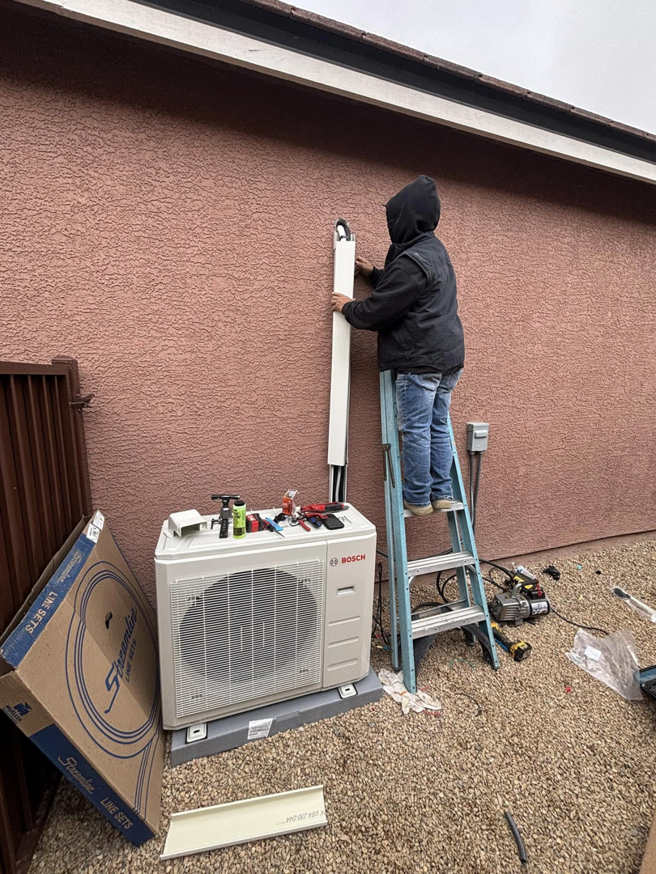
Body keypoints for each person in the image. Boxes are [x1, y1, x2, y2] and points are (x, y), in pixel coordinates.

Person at [331, 175, 465, 516]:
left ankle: (418, 498)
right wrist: (376, 273)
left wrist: (348, 307)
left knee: (416, 430)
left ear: (405, 217)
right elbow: (409, 288)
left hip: (421, 359)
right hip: (449, 357)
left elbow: (381, 309)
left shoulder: (410, 261)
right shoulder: (433, 250)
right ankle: (441, 492)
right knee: (436, 425)